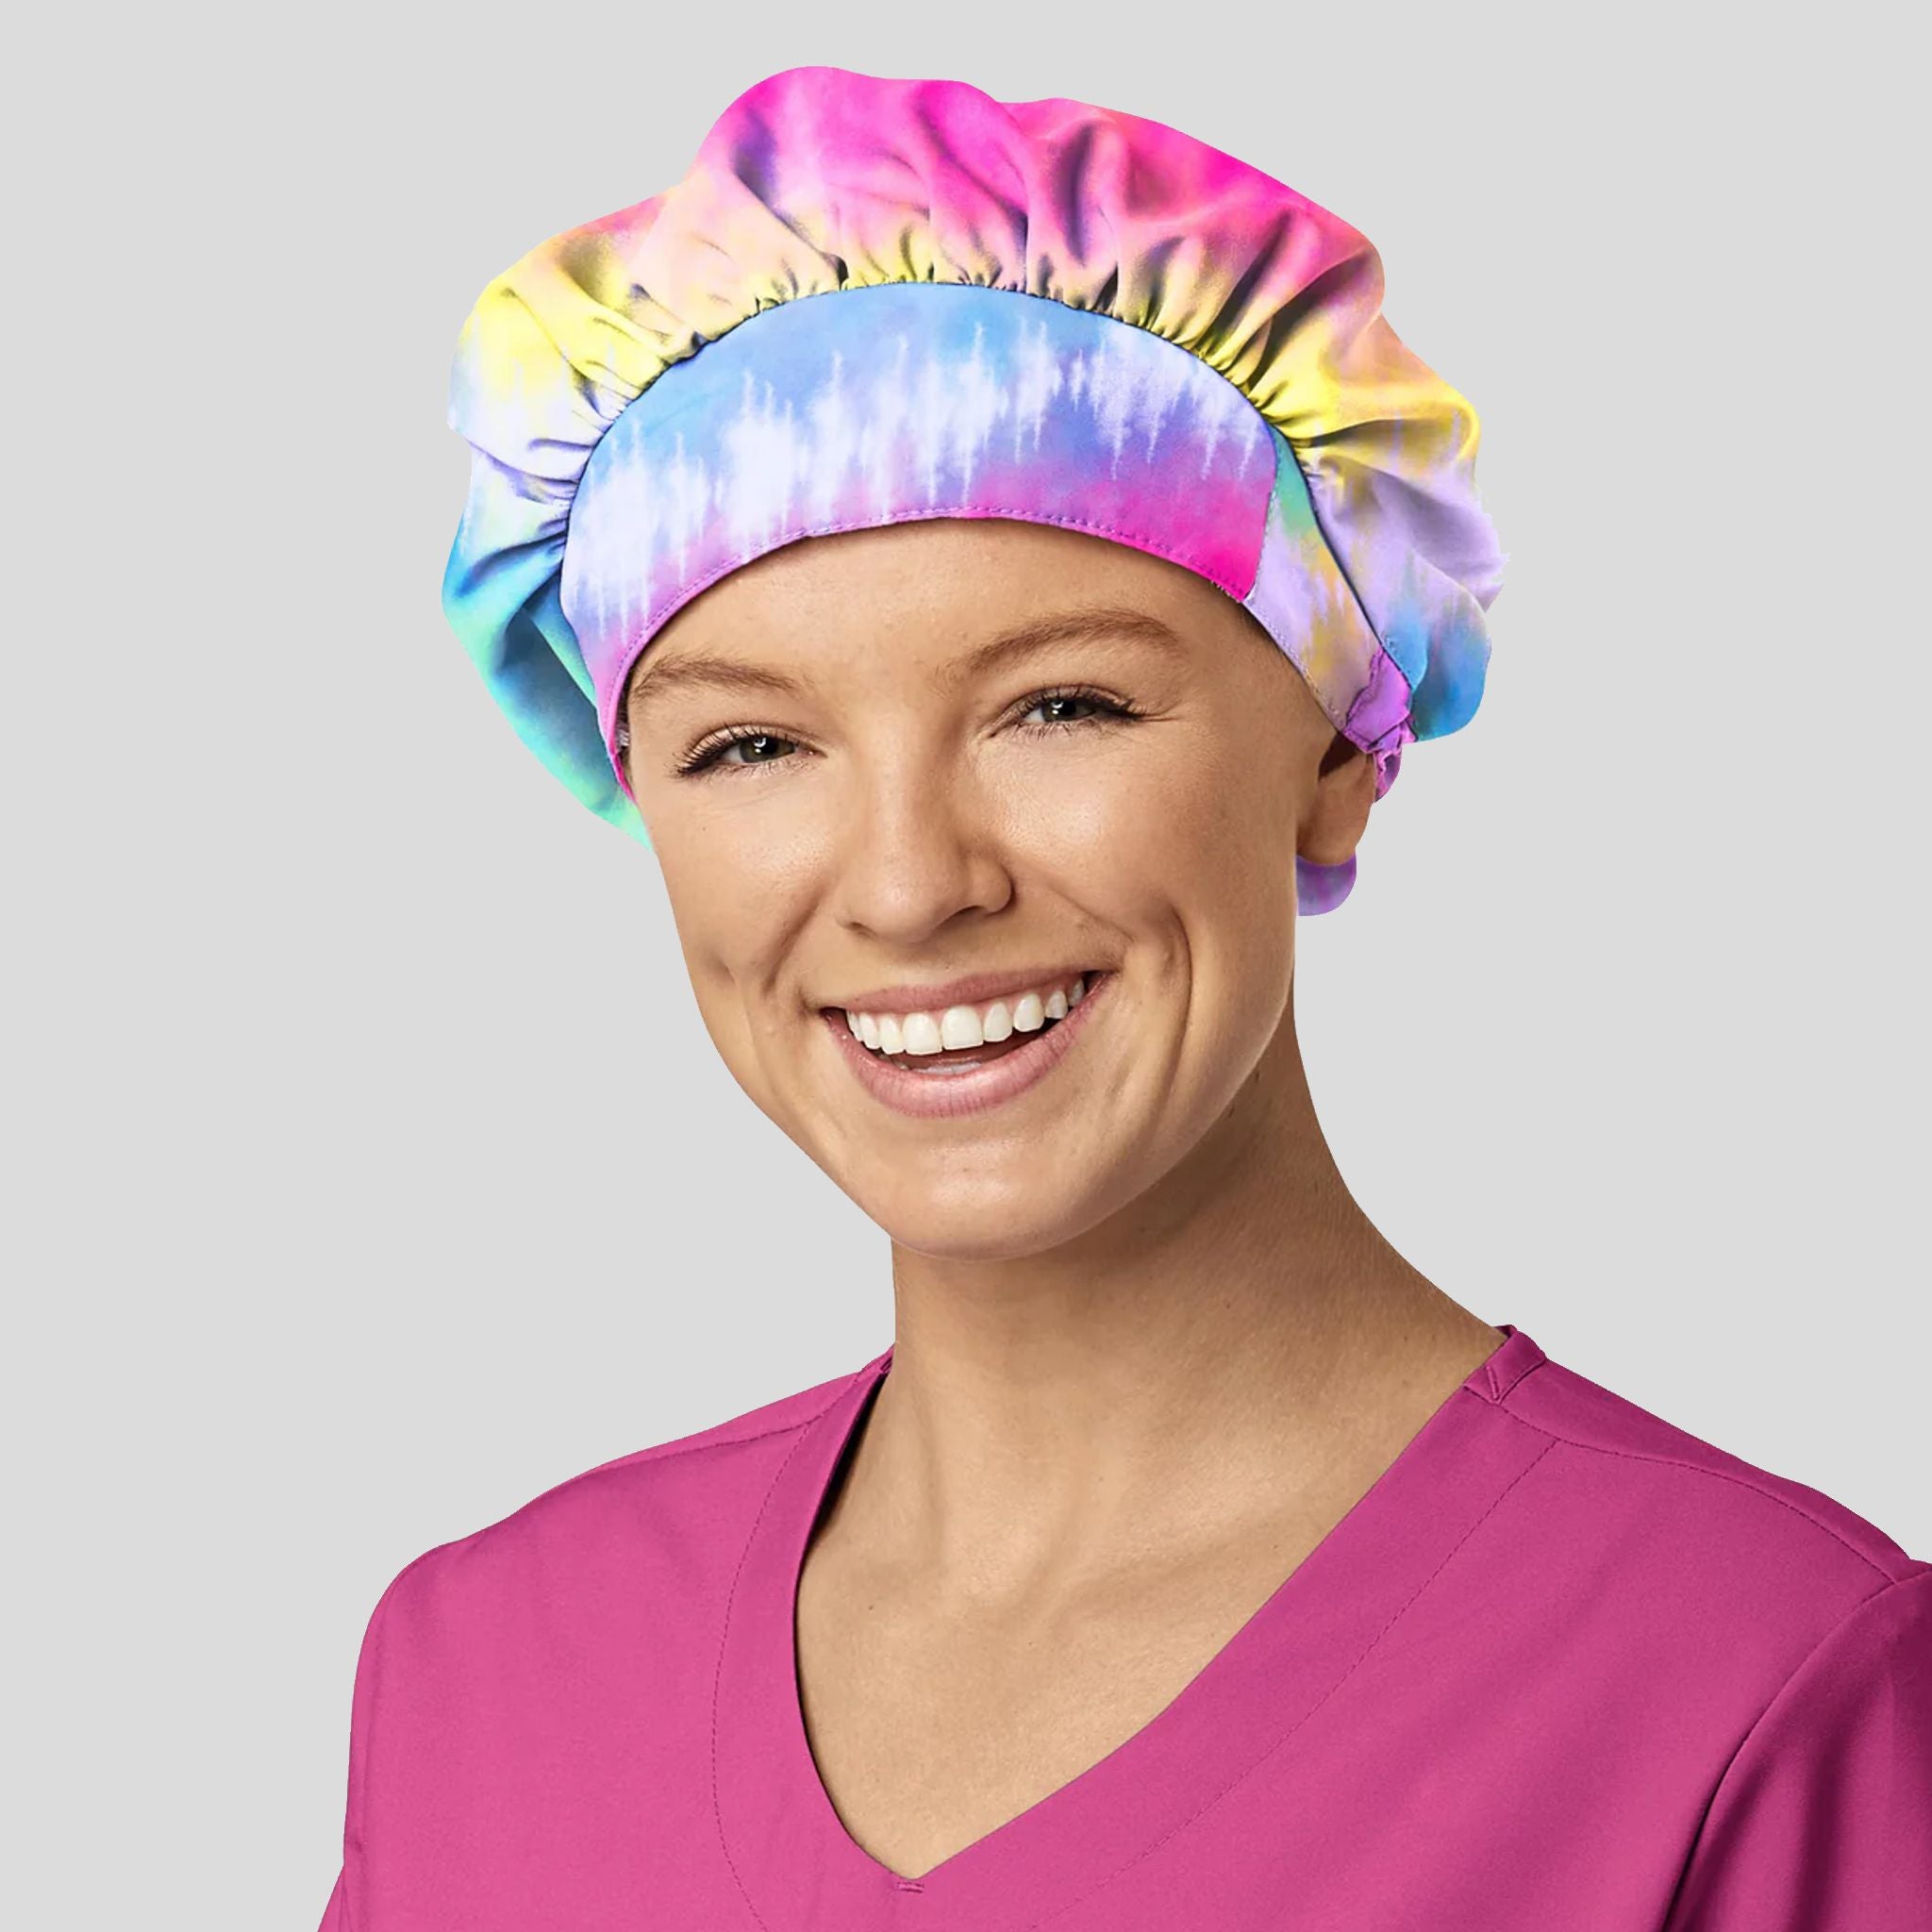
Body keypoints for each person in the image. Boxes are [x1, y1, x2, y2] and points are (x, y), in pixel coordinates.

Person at [318, 65, 1931, 1930]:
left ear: (1337, 752)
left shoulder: (1751, 1690)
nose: (910, 883)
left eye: (1060, 706)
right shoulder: (488, 1669)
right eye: (752, 744)